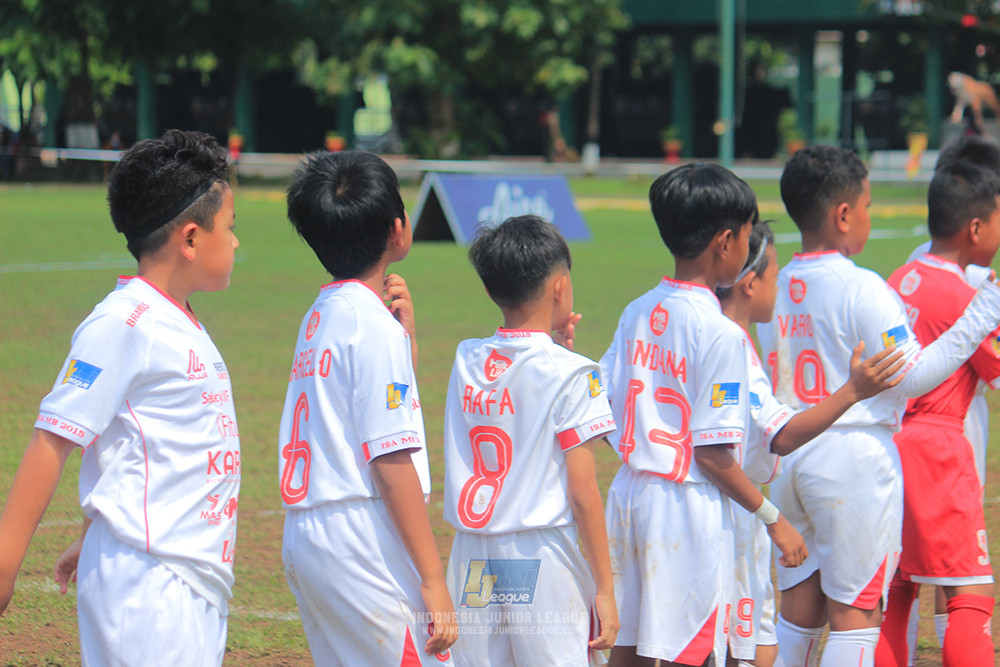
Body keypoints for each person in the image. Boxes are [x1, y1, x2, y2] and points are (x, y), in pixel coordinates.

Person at [0, 129, 241, 666]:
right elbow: (53, 439)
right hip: (151, 584)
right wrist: (5, 566)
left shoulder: (175, 318)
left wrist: (92, 530)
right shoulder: (125, 321)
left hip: (185, 573)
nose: (238, 241)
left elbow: (133, 440)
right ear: (192, 238)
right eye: (232, 227)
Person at [756, 145, 1000, 666]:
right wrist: (983, 315)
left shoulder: (777, 286)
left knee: (799, 612)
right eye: (866, 206)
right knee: (855, 620)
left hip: (792, 453)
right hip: (853, 459)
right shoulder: (862, 286)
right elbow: (912, 377)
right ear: (844, 215)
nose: (869, 217)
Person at [601, 162, 808, 667]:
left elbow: (605, 410)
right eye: (744, 233)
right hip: (685, 509)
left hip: (630, 496)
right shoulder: (721, 334)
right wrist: (773, 518)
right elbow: (714, 456)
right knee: (685, 653)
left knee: (628, 650)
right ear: (725, 242)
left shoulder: (638, 310)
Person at [278, 150, 457, 665]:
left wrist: (407, 343)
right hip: (359, 537)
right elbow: (389, 456)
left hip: (308, 533)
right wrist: (432, 578)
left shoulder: (322, 313)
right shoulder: (372, 328)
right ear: (398, 231)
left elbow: (373, 411)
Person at [715, 220, 904, 667]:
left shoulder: (665, 320)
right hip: (736, 512)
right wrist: (852, 392)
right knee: (851, 619)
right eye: (776, 274)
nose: (781, 284)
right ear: (750, 281)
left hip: (740, 498)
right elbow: (777, 436)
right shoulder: (729, 345)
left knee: (777, 630)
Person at [442, 214, 619, 666]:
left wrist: (559, 352)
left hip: (475, 555)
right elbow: (583, 493)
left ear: (489, 289)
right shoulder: (575, 373)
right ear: (561, 286)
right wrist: (604, 587)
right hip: (537, 555)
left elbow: (520, 383)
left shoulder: (466, 357)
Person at [875, 160, 1000, 666]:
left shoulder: (897, 277)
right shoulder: (968, 298)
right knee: (971, 594)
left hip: (888, 445)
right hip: (939, 454)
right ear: (975, 228)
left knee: (896, 591)